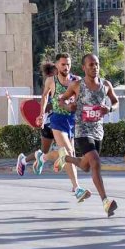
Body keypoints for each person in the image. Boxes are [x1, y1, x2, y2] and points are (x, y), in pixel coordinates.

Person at [54, 54, 118, 217]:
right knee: (95, 162)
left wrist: (109, 109)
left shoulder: (106, 85)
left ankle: (65, 158)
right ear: (83, 68)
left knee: (85, 166)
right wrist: (69, 107)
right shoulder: (77, 85)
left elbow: (116, 102)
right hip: (82, 130)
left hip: (98, 130)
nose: (94, 67)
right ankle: (105, 202)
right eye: (90, 65)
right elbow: (62, 100)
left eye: (96, 64)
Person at [36, 54, 89, 201]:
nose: (66, 67)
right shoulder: (51, 80)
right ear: (57, 65)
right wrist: (41, 114)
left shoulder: (77, 80)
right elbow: (45, 96)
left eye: (68, 64)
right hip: (57, 120)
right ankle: (77, 188)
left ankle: (43, 157)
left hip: (73, 121)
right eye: (63, 64)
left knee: (68, 154)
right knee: (68, 152)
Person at [15, 62, 56, 177]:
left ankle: (24, 160)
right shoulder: (50, 86)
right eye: (56, 71)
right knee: (64, 149)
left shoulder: (62, 84)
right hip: (50, 123)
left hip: (57, 122)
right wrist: (57, 105)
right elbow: (47, 105)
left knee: (44, 151)